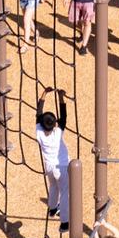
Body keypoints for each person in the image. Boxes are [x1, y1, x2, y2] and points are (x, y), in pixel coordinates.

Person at [34, 91, 69, 220]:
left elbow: (38, 113)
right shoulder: (58, 132)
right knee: (65, 192)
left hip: (48, 166)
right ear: (55, 125)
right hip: (61, 166)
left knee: (53, 187)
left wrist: (44, 94)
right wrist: (60, 97)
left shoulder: (39, 132)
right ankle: (65, 221)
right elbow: (64, 115)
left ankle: (52, 209)